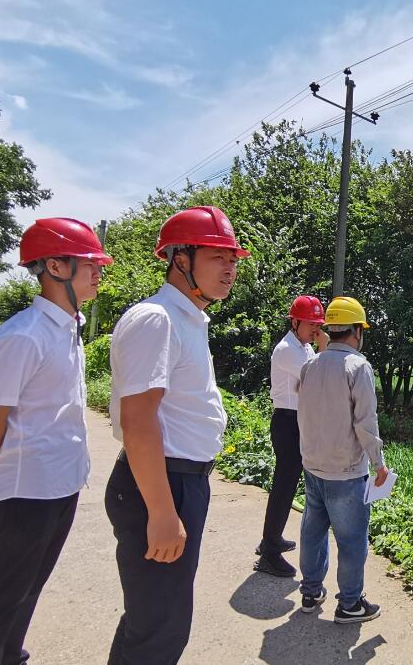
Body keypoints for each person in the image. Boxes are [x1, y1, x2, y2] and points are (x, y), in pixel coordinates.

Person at [105, 205, 248, 664]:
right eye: (217, 257)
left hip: (182, 481)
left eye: (233, 259)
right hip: (160, 484)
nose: (229, 268)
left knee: (152, 622)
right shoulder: (157, 319)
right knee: (158, 632)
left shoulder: (187, 319)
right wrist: (163, 512)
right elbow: (138, 421)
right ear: (180, 259)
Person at [0, 218, 112, 665]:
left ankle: (9, 654)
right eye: (89, 263)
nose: (98, 271)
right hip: (26, 491)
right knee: (0, 596)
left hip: (62, 485)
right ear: (55, 267)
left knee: (28, 588)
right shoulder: (22, 336)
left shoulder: (68, 326)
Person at [296, 296, 389, 623]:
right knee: (351, 540)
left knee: (313, 531)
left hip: (313, 466)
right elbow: (365, 422)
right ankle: (349, 604)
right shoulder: (358, 367)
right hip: (346, 472)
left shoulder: (310, 365)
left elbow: (304, 414)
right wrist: (379, 462)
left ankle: (310, 591)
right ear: (356, 331)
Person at [254, 295, 327, 577]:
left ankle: (271, 539)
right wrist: (324, 350)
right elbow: (317, 379)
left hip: (298, 421)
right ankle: (269, 552)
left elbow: (311, 383)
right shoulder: (287, 349)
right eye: (311, 324)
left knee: (287, 484)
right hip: (287, 422)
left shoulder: (304, 348)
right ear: (295, 322)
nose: (315, 330)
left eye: (318, 325)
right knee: (283, 486)